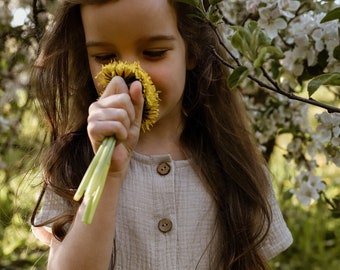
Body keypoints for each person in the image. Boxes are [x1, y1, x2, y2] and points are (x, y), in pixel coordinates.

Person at [30, 0, 293, 269]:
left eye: (154, 52)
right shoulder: (73, 166)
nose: (129, 75)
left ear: (192, 51)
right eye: (104, 57)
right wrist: (109, 174)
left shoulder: (234, 168)